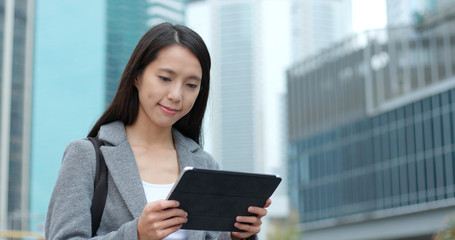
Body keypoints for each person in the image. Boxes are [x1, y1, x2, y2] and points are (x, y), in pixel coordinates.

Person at [45, 22, 271, 240]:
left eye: (191, 85)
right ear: (137, 76)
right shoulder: (86, 156)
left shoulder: (204, 164)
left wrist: (237, 235)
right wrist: (137, 234)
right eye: (165, 78)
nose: (176, 95)